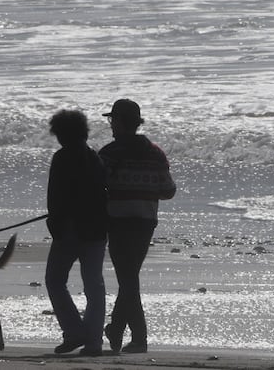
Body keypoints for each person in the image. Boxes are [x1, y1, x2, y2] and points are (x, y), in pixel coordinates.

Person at [98, 98, 176, 355]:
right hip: (145, 221)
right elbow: (168, 191)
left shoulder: (109, 154)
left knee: (128, 279)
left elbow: (96, 189)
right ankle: (120, 331)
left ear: (120, 122)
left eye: (112, 120)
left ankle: (133, 335)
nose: (110, 125)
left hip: (118, 221)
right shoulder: (156, 153)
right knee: (129, 278)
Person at [44, 108, 109, 356]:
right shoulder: (96, 159)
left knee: (55, 280)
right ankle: (93, 341)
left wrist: (55, 223)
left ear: (61, 134)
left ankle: (74, 331)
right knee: (94, 285)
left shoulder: (62, 158)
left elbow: (56, 196)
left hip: (69, 229)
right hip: (96, 229)